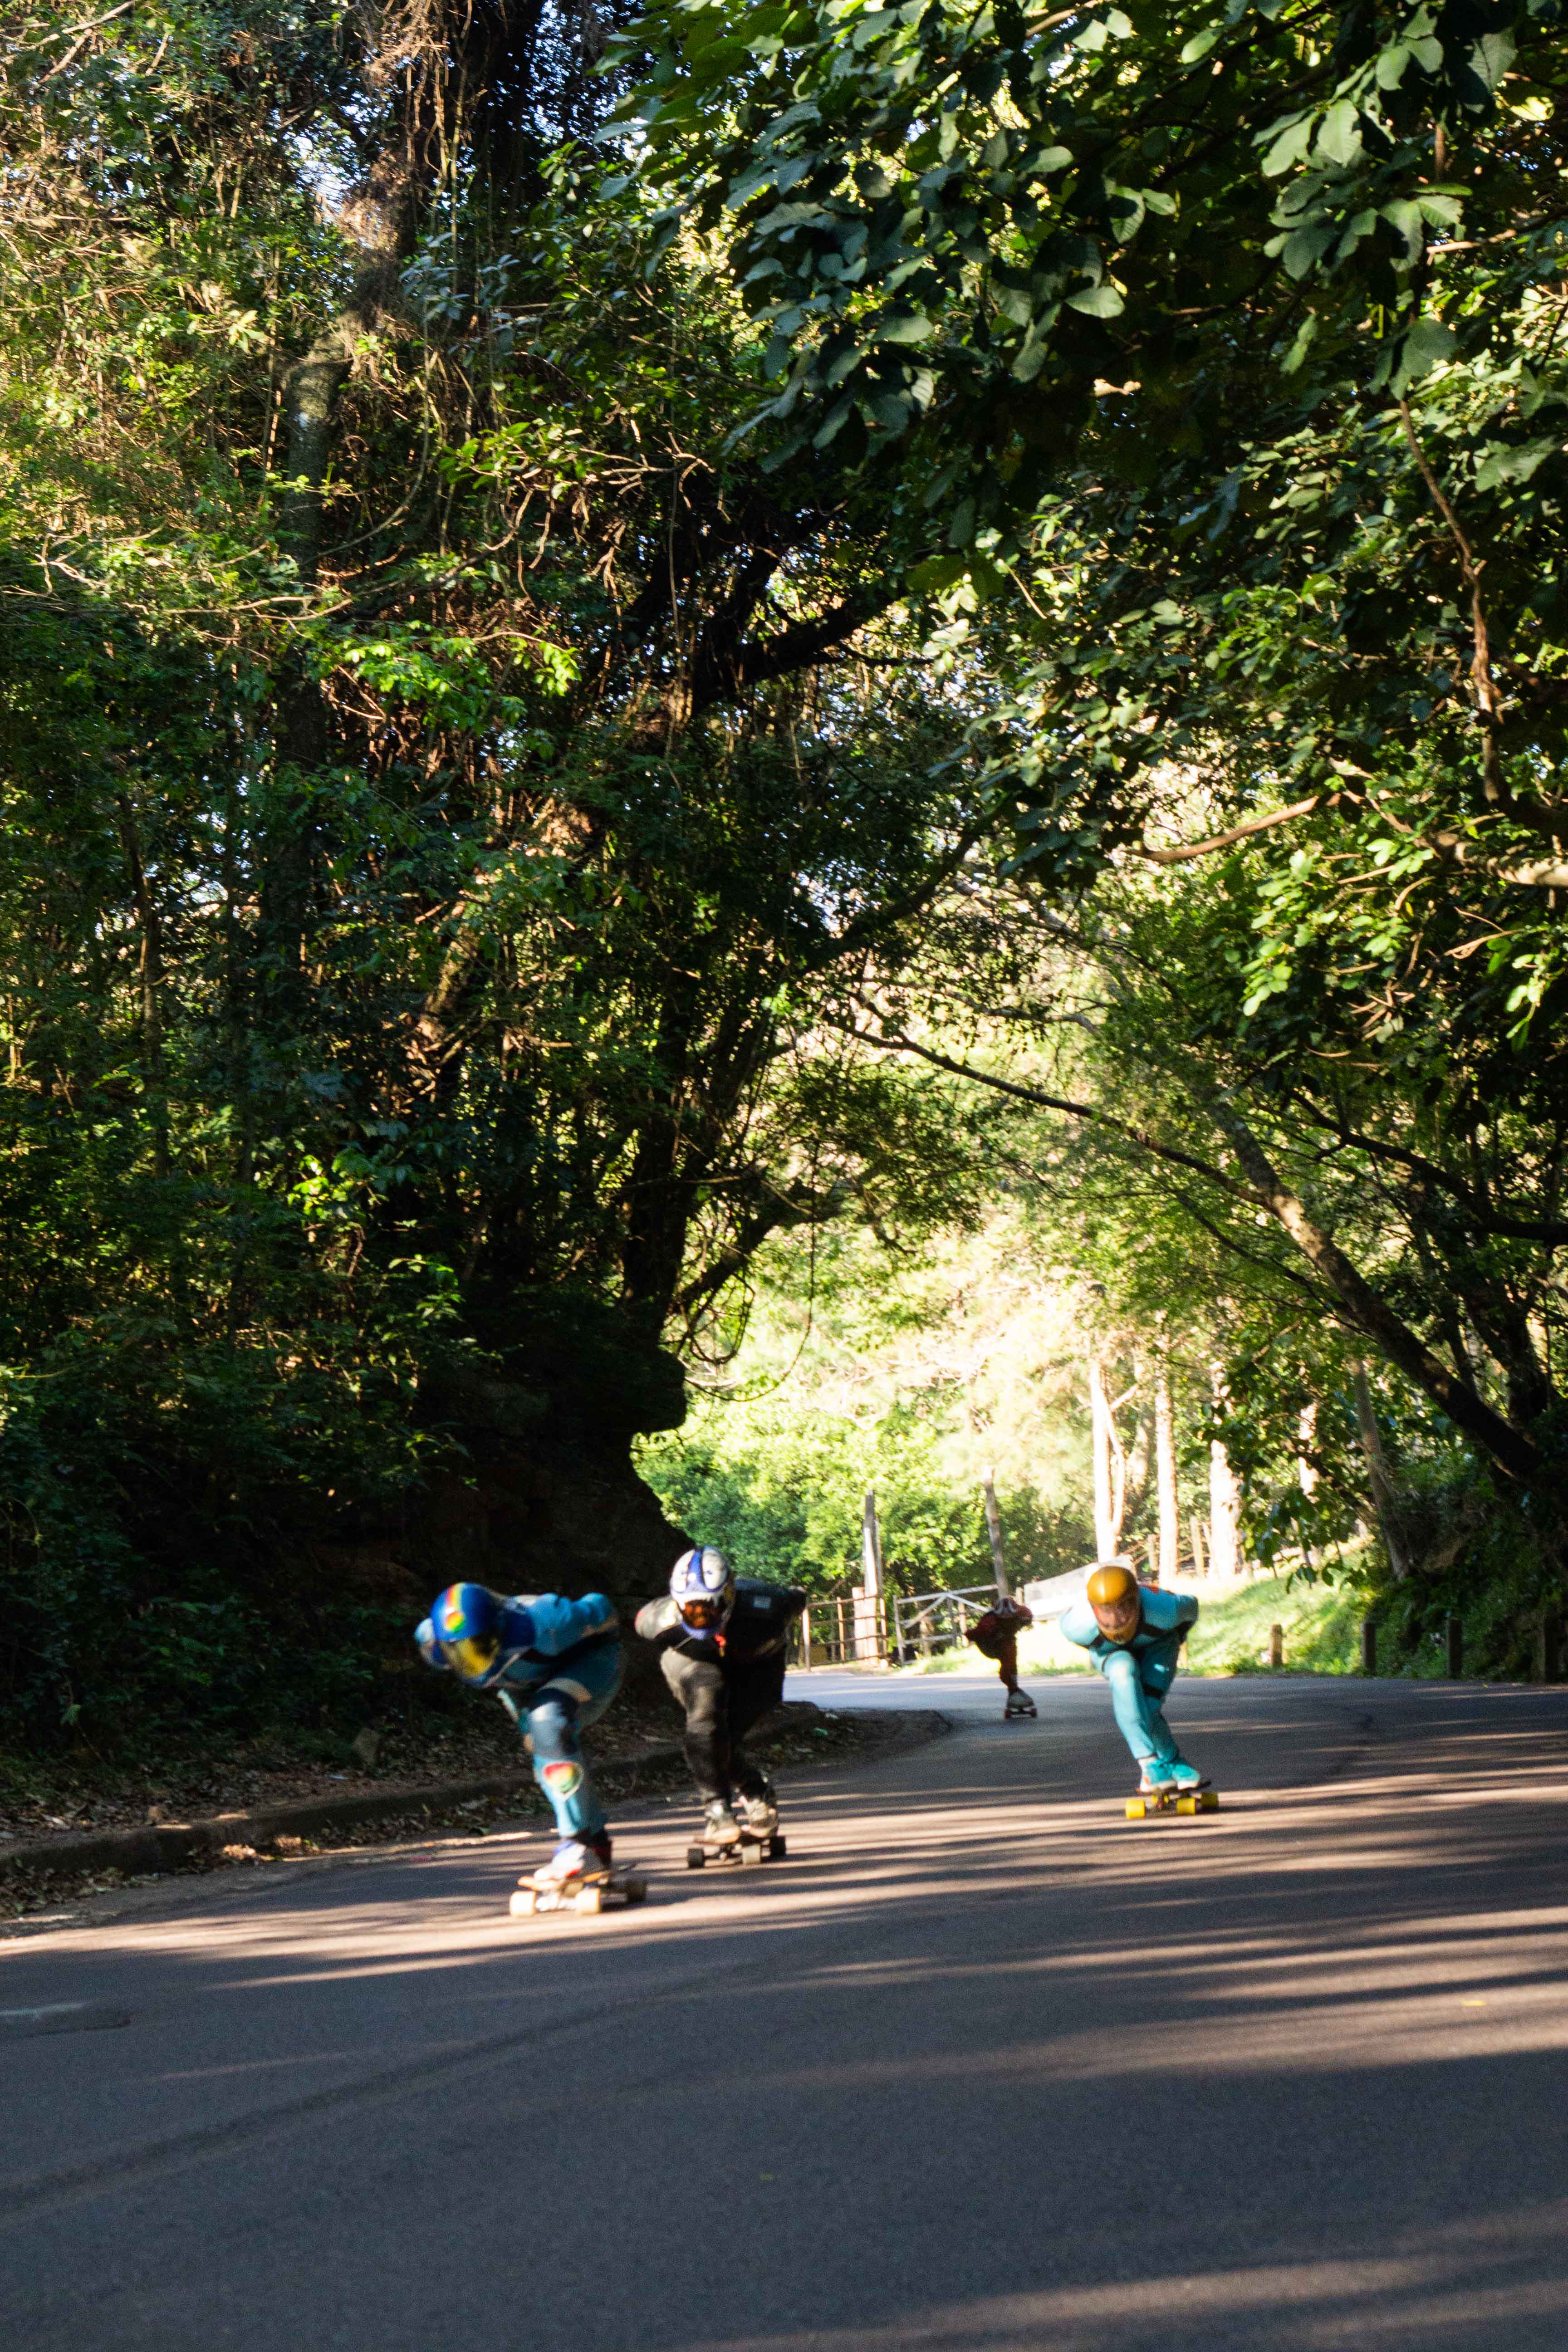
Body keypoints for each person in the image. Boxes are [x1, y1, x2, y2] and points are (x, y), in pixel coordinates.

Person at [416, 1581, 622, 1892]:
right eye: (458, 1653)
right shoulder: (433, 1644)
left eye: (479, 1647)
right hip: (524, 1687)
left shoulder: (549, 1623)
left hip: (592, 1664)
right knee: (546, 1753)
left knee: (547, 1722)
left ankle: (576, 1844)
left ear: (499, 1630)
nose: (470, 1663)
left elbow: (604, 1610)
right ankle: (595, 1846)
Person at [635, 1548, 805, 1852]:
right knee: (705, 1728)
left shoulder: (771, 1606)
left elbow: (799, 1597)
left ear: (729, 1597)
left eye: (710, 1610)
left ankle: (756, 1791)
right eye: (691, 1611)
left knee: (730, 1736)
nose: (701, 1619)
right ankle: (717, 1810)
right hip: (694, 1662)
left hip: (759, 1665)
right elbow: (637, 1623)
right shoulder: (659, 1621)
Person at [1058, 1563, 1205, 1794]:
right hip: (1111, 1653)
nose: (1115, 1619)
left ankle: (1173, 1763)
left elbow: (1192, 1608)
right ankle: (1151, 1765)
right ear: (1093, 1609)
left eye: (1123, 1608)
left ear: (1136, 1600)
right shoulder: (1077, 1626)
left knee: (1149, 1704)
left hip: (1159, 1643)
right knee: (1123, 1675)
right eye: (1105, 1611)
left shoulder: (1165, 1609)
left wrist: (1179, 1637)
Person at [967, 1592, 1037, 1718]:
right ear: (997, 1617)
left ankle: (1014, 1691)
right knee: (1007, 1664)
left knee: (1010, 1660)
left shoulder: (1023, 1613)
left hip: (1008, 1642)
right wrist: (988, 1636)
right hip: (989, 1646)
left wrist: (1024, 1623)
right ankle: (1014, 1690)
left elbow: (1030, 1618)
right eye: (1003, 1620)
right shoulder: (988, 1622)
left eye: (1010, 1619)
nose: (1007, 1622)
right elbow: (972, 1634)